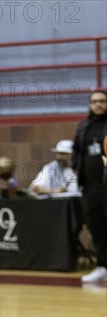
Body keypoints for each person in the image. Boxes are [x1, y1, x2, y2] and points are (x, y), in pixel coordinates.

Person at [72, 90, 107, 283]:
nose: (98, 104)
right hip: (90, 189)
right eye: (94, 101)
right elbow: (76, 151)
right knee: (97, 229)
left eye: (102, 101)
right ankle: (102, 266)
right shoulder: (83, 127)